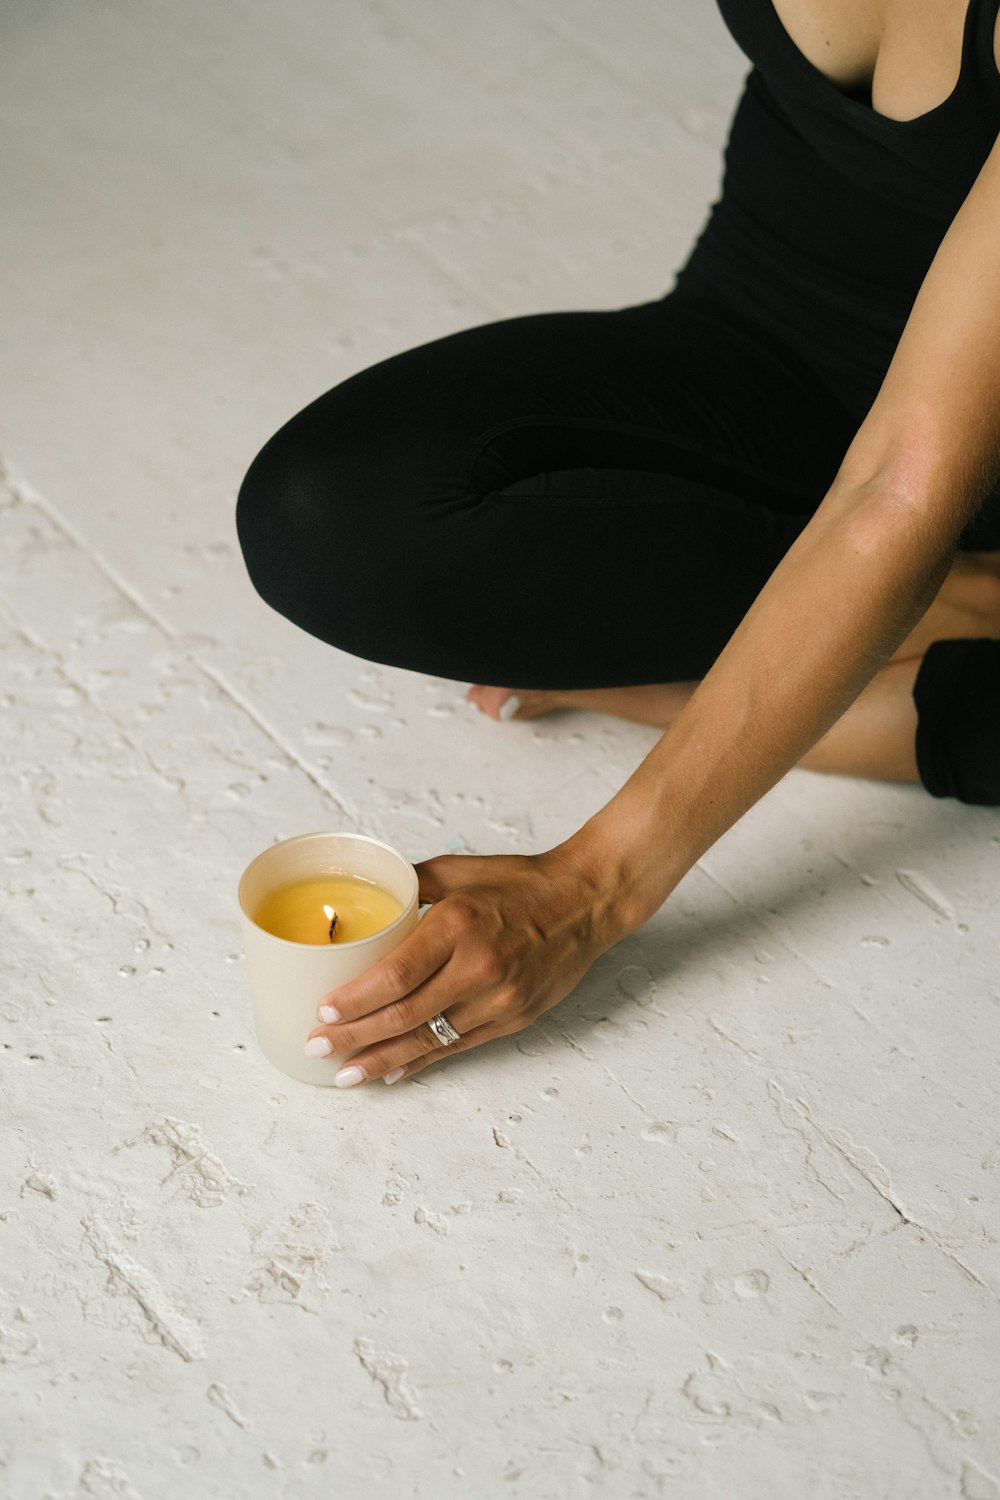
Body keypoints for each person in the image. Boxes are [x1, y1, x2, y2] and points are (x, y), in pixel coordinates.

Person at [235, 0, 1000, 1089]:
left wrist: (592, 886)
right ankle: (946, 606)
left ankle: (766, 657)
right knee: (329, 520)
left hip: (957, 461)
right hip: (747, 349)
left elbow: (899, 487)